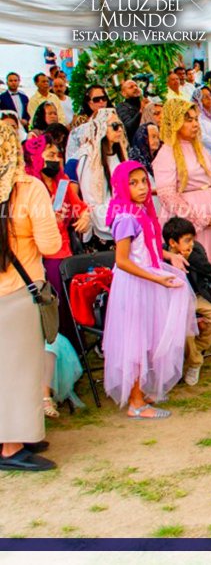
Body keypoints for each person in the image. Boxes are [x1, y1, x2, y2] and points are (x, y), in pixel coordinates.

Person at [103, 161, 196, 418]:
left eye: (143, 181)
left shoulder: (140, 210)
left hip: (146, 280)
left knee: (146, 337)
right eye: (133, 183)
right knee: (136, 341)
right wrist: (156, 279)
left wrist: (169, 256)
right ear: (121, 186)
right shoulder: (125, 218)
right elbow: (123, 261)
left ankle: (140, 392)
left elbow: (147, 247)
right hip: (134, 285)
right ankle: (135, 403)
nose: (142, 187)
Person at [0, 124, 62, 471]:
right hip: (19, 292)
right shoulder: (28, 188)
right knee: (21, 371)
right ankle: (10, 447)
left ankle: (17, 435)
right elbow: (51, 245)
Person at [23, 133, 91, 340]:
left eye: (57, 155)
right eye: (50, 155)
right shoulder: (30, 187)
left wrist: (85, 217)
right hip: (42, 253)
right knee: (57, 300)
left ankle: (72, 343)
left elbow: (81, 207)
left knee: (69, 299)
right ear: (36, 157)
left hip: (65, 250)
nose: (55, 159)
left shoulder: (61, 184)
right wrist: (48, 220)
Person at [153, 98, 211, 268]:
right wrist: (198, 219)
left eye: (196, 119)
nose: (195, 124)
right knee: (194, 262)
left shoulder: (200, 148)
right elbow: (167, 195)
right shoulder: (166, 153)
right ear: (175, 123)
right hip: (186, 221)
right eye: (188, 120)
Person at [162, 217, 211, 387]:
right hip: (172, 300)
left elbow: (208, 270)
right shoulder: (162, 254)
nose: (191, 243)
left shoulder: (196, 249)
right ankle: (195, 362)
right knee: (185, 325)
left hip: (197, 295)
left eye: (192, 239)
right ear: (172, 242)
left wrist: (191, 258)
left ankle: (192, 353)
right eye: (187, 240)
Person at [75, 108, 128, 242]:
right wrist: (116, 221)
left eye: (120, 125)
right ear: (102, 127)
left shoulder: (120, 154)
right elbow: (91, 200)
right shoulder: (90, 157)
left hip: (124, 220)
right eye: (114, 126)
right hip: (103, 227)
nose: (119, 130)